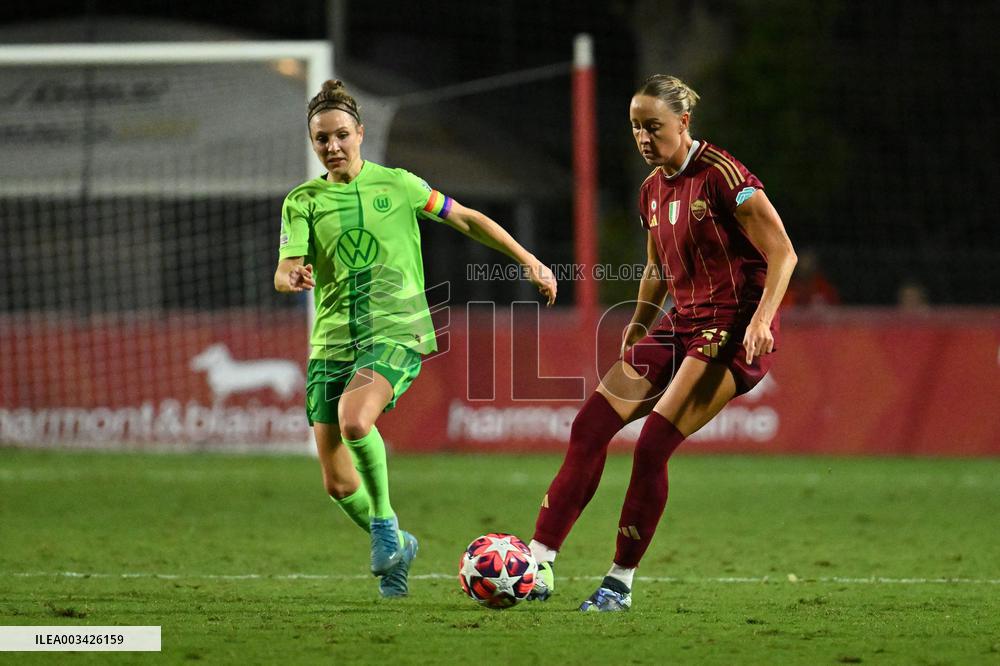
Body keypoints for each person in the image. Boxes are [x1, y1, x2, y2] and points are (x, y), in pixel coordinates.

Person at [275, 80, 557, 598]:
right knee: (338, 483)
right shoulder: (303, 201)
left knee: (355, 420)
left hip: (396, 328)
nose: (333, 146)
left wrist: (528, 259)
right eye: (322, 139)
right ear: (312, 142)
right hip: (331, 341)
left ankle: (385, 527)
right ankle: (400, 546)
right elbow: (285, 267)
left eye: (341, 135)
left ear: (360, 133)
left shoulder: (399, 185)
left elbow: (466, 219)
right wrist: (291, 275)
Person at [526, 75, 797, 611]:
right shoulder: (651, 189)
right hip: (680, 322)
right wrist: (638, 324)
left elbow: (783, 251)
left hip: (731, 329)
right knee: (590, 426)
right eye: (635, 128)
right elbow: (656, 266)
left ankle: (618, 584)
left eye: (654, 127)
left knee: (652, 445)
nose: (644, 138)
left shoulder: (724, 176)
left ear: (684, 122)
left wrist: (763, 319)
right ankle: (536, 562)